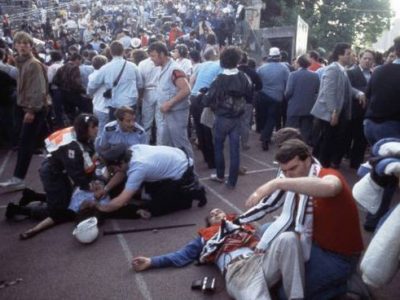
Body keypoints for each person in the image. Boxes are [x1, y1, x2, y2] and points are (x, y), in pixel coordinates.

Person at [245, 139, 364, 299]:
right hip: (315, 244)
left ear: (308, 159)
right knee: (266, 230)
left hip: (339, 256)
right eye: (284, 171)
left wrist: (277, 183)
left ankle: (346, 286)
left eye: (293, 168)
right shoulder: (297, 181)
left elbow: (330, 187)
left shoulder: (328, 174)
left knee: (284, 293)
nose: (289, 175)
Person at [132, 207, 305, 300]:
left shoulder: (243, 225)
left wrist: (282, 223)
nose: (215, 213)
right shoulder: (206, 237)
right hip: (239, 272)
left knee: (288, 238)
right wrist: (152, 261)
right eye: (212, 215)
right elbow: (181, 255)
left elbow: (268, 239)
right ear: (209, 224)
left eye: (218, 211)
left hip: (261, 259)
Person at [6, 114, 99, 239]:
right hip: (52, 173)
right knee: (57, 210)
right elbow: (76, 173)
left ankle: (32, 196)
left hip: (56, 168)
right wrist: (87, 186)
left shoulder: (76, 133)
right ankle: (18, 210)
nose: (97, 129)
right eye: (94, 127)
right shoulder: (73, 147)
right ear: (85, 128)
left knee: (66, 199)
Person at [96, 144, 207, 217]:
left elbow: (121, 201)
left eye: (112, 169)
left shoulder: (138, 167)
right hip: (177, 158)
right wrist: (106, 189)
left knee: (153, 209)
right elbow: (121, 172)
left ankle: (192, 192)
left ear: (120, 163)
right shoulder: (132, 150)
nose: (113, 173)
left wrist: (100, 208)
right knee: (142, 191)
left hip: (182, 172)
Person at [0, 32, 48, 191]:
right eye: (19, 43)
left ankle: (18, 178)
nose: (22, 46)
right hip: (24, 107)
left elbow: (38, 89)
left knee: (25, 143)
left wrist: (31, 110)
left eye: (25, 43)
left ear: (31, 46)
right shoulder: (21, 62)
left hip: (31, 109)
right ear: (15, 45)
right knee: (32, 142)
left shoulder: (33, 64)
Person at [203, 46, 253, 189]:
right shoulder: (244, 77)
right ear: (238, 60)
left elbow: (207, 100)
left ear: (223, 60)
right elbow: (250, 95)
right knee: (235, 150)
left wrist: (205, 97)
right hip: (237, 118)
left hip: (222, 118)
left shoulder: (219, 79)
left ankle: (219, 175)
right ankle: (232, 182)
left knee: (218, 147)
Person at [311, 42, 364, 168]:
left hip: (335, 112)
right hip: (330, 113)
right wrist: (333, 112)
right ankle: (321, 168)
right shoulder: (333, 69)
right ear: (340, 55)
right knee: (327, 142)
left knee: (326, 140)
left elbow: (348, 88)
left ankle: (317, 165)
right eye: (348, 54)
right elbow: (329, 92)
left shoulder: (341, 69)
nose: (351, 56)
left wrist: (359, 93)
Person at [147, 42, 194, 158]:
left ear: (162, 54)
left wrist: (169, 103)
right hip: (168, 114)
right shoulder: (163, 68)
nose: (151, 59)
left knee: (180, 144)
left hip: (176, 113)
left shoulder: (174, 69)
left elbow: (186, 89)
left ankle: (190, 173)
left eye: (153, 56)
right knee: (168, 145)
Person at [87, 41, 143, 121]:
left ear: (111, 52)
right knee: (131, 127)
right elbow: (140, 85)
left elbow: (92, 85)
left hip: (114, 105)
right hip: (130, 103)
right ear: (123, 51)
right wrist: (139, 99)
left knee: (115, 129)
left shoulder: (105, 68)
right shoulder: (133, 66)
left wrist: (90, 93)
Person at [257, 47, 290, 151]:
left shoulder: (261, 68)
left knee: (264, 117)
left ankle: (265, 135)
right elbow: (288, 82)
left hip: (262, 95)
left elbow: (258, 81)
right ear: (279, 57)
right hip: (276, 97)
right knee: (271, 118)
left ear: (269, 56)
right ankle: (265, 138)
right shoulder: (284, 68)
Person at [285, 54, 320, 145]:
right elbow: (317, 90)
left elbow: (289, 92)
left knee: (291, 131)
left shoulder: (293, 75)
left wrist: (287, 98)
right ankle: (301, 149)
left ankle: (290, 148)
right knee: (305, 132)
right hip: (309, 108)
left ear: (299, 63)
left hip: (294, 107)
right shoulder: (315, 76)